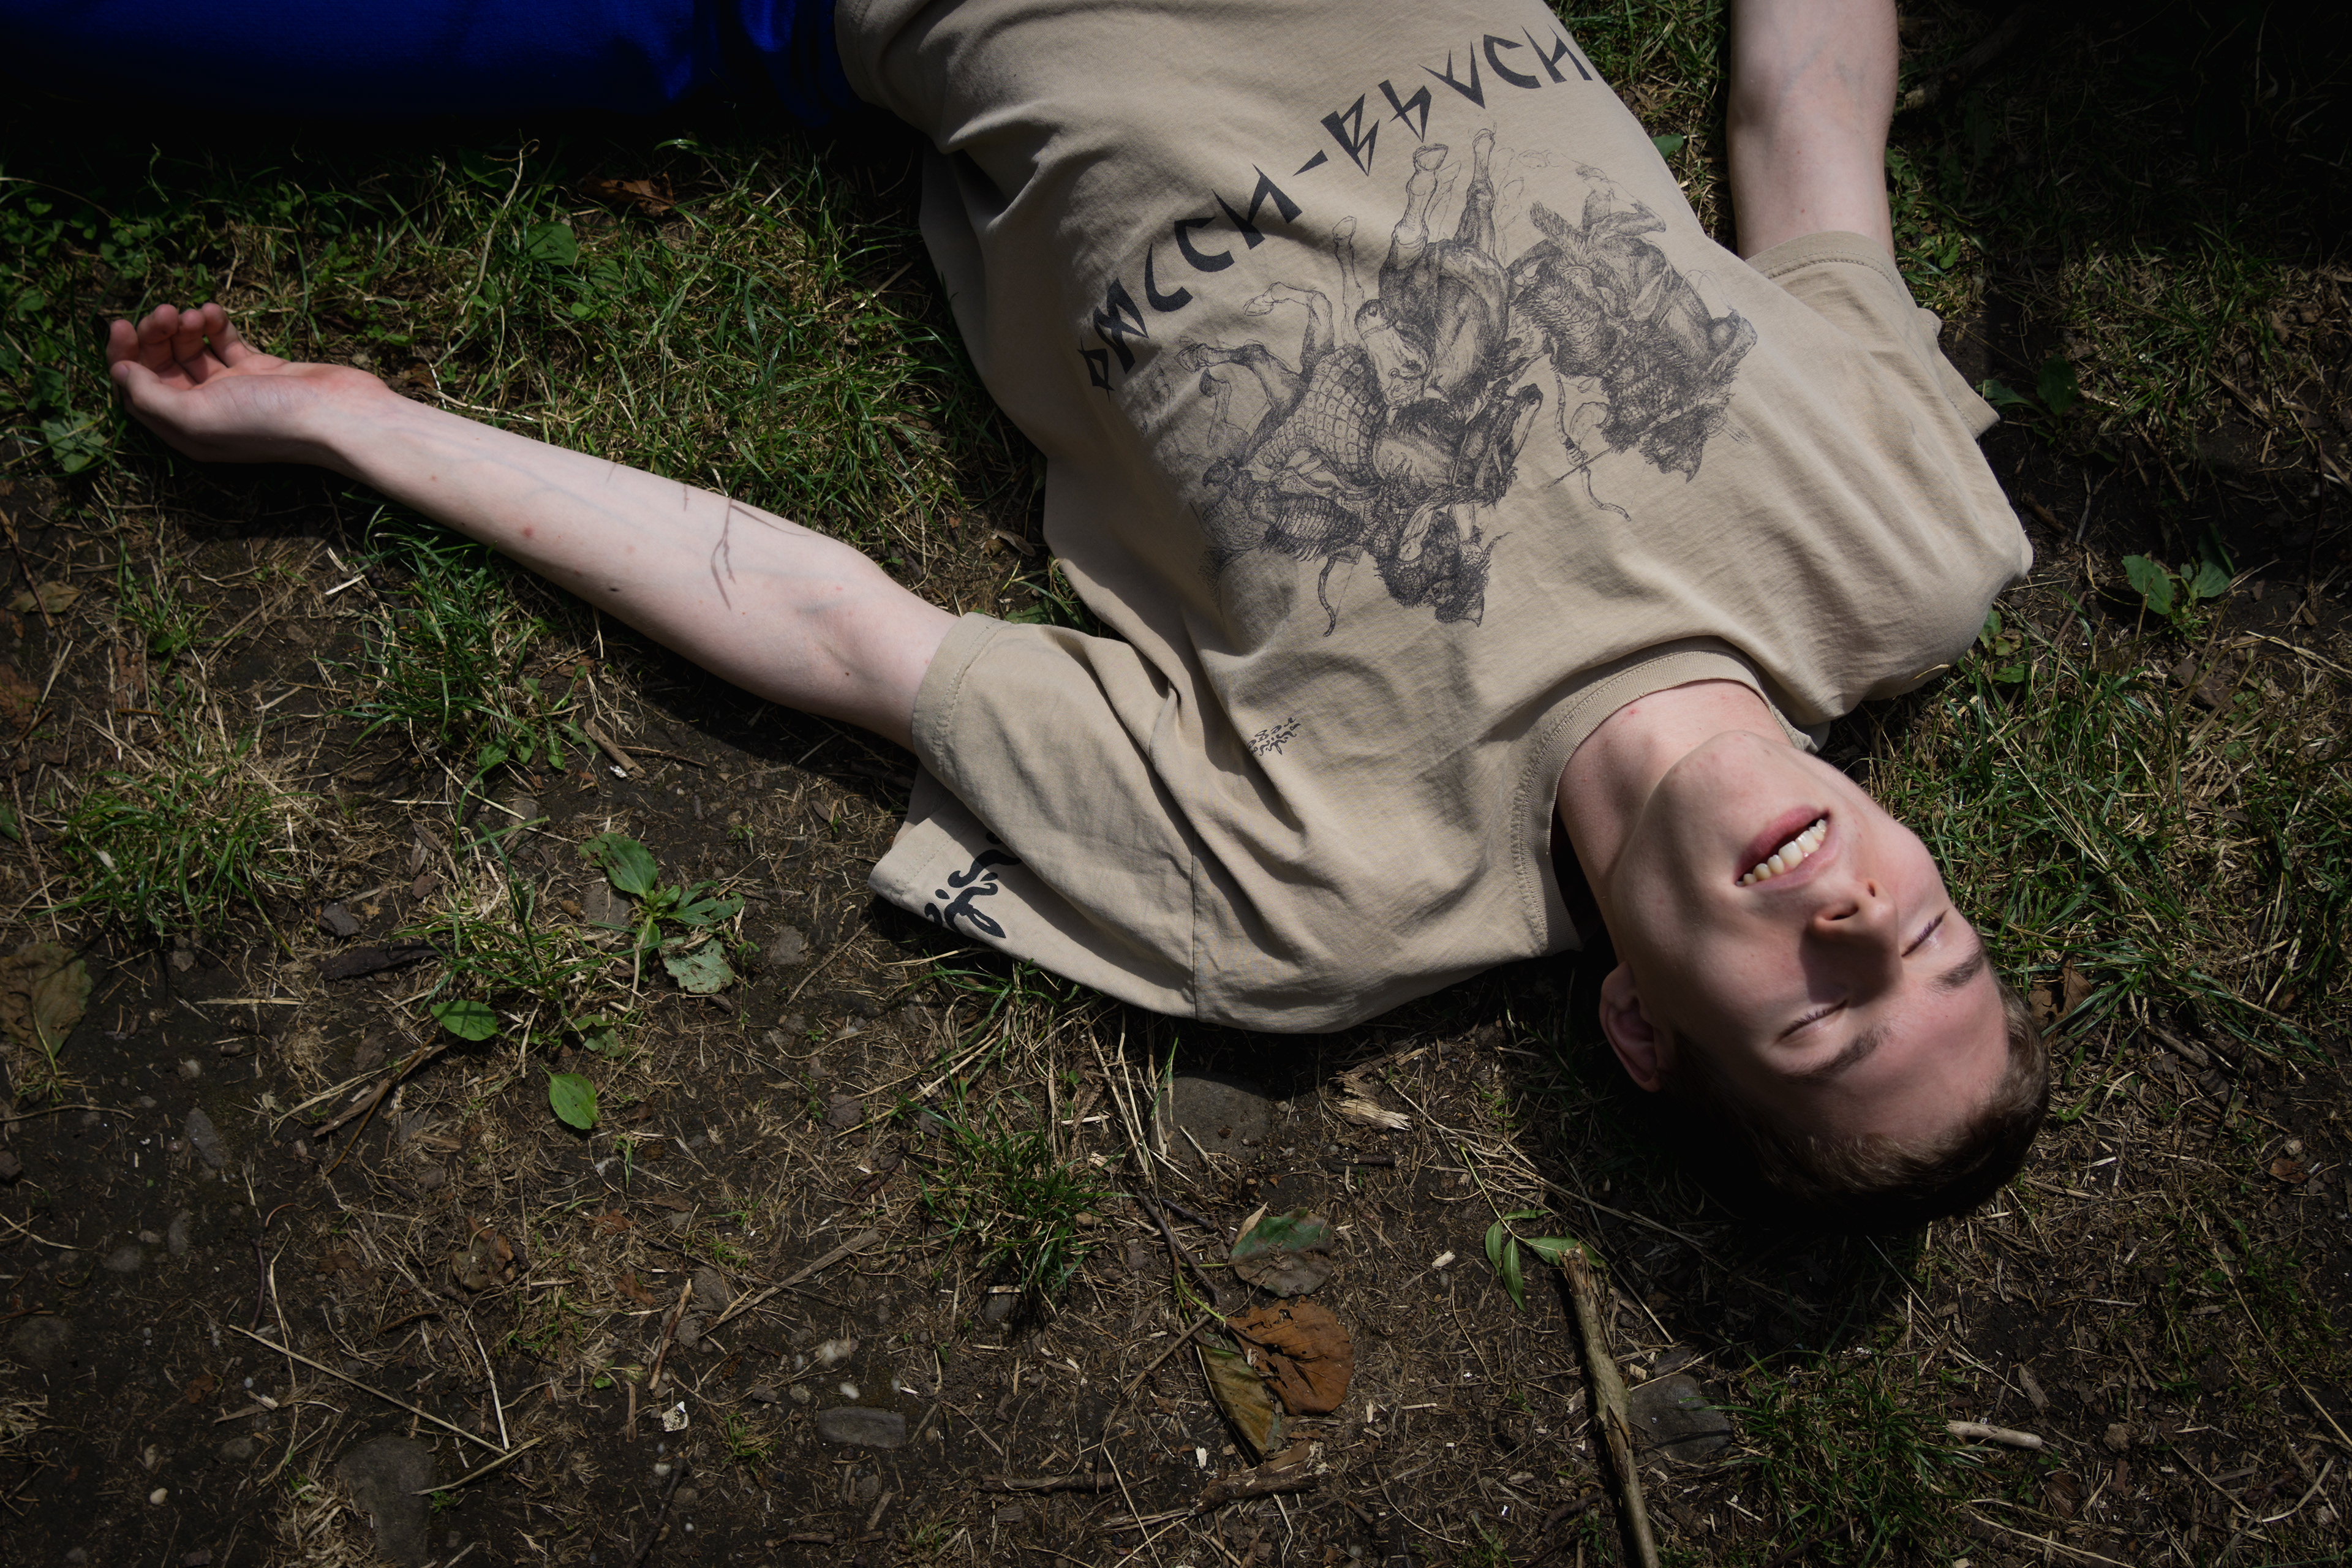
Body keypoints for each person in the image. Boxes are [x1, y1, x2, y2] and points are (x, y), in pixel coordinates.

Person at [81, 0, 2046, 1226]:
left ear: (1640, 1030)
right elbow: (1809, 146)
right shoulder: (1911, 551)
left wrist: (359, 428)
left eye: (1823, 1015)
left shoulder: (1329, 887)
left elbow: (851, 636)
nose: (1858, 920)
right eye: (1934, 942)